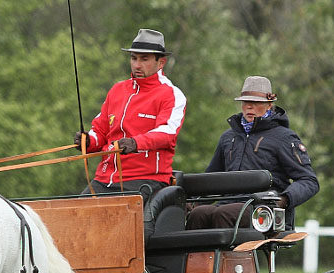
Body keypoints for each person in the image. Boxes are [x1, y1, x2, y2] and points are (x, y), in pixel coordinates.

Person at [186, 76, 318, 230]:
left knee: (223, 214)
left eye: (255, 102)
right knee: (199, 214)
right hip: (228, 204)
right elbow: (213, 178)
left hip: (264, 208)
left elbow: (309, 181)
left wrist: (283, 199)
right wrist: (194, 201)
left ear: (269, 105)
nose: (249, 107)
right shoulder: (228, 137)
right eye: (245, 102)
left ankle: (231, 255)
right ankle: (196, 255)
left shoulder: (284, 138)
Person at [74, 28, 186, 203]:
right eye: (134, 58)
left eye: (144, 59)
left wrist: (136, 143)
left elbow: (167, 133)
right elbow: (100, 130)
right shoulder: (117, 90)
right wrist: (88, 140)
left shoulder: (171, 94)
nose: (137, 65)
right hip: (103, 180)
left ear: (161, 62)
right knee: (71, 217)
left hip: (144, 180)